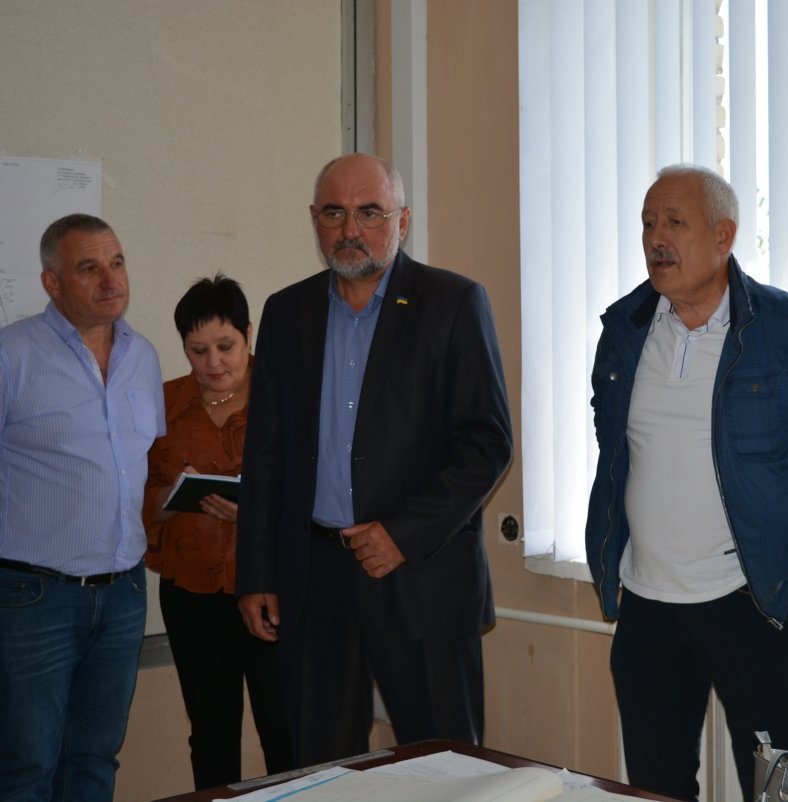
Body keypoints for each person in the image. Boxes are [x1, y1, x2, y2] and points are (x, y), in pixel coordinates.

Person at [584, 164, 788, 802]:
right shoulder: (624, 329)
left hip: (748, 602)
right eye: (648, 223)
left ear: (724, 236)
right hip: (647, 606)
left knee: (778, 791)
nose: (656, 237)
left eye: (675, 222)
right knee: (655, 791)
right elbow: (617, 457)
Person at [236, 153, 513, 766]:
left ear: (402, 221)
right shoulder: (287, 312)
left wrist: (402, 535)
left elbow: (487, 443)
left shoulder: (453, 302)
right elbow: (267, 453)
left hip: (421, 573)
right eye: (334, 213)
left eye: (369, 213)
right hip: (314, 578)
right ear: (315, 219)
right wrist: (255, 571)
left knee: (444, 766)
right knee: (323, 767)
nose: (350, 229)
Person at [0, 213, 165, 801]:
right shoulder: (12, 354)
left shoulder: (143, 356)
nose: (111, 280)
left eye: (116, 263)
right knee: (26, 766)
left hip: (123, 595)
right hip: (34, 597)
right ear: (52, 282)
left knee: (95, 759)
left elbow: (139, 467)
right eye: (89, 268)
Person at [142, 275, 293, 789]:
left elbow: (317, 495)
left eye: (226, 346)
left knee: (285, 728)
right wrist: (168, 500)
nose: (213, 363)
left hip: (272, 586)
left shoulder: (285, 399)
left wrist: (253, 512)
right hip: (192, 594)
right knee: (211, 733)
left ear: (248, 334)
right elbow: (132, 500)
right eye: (198, 350)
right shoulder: (161, 405)